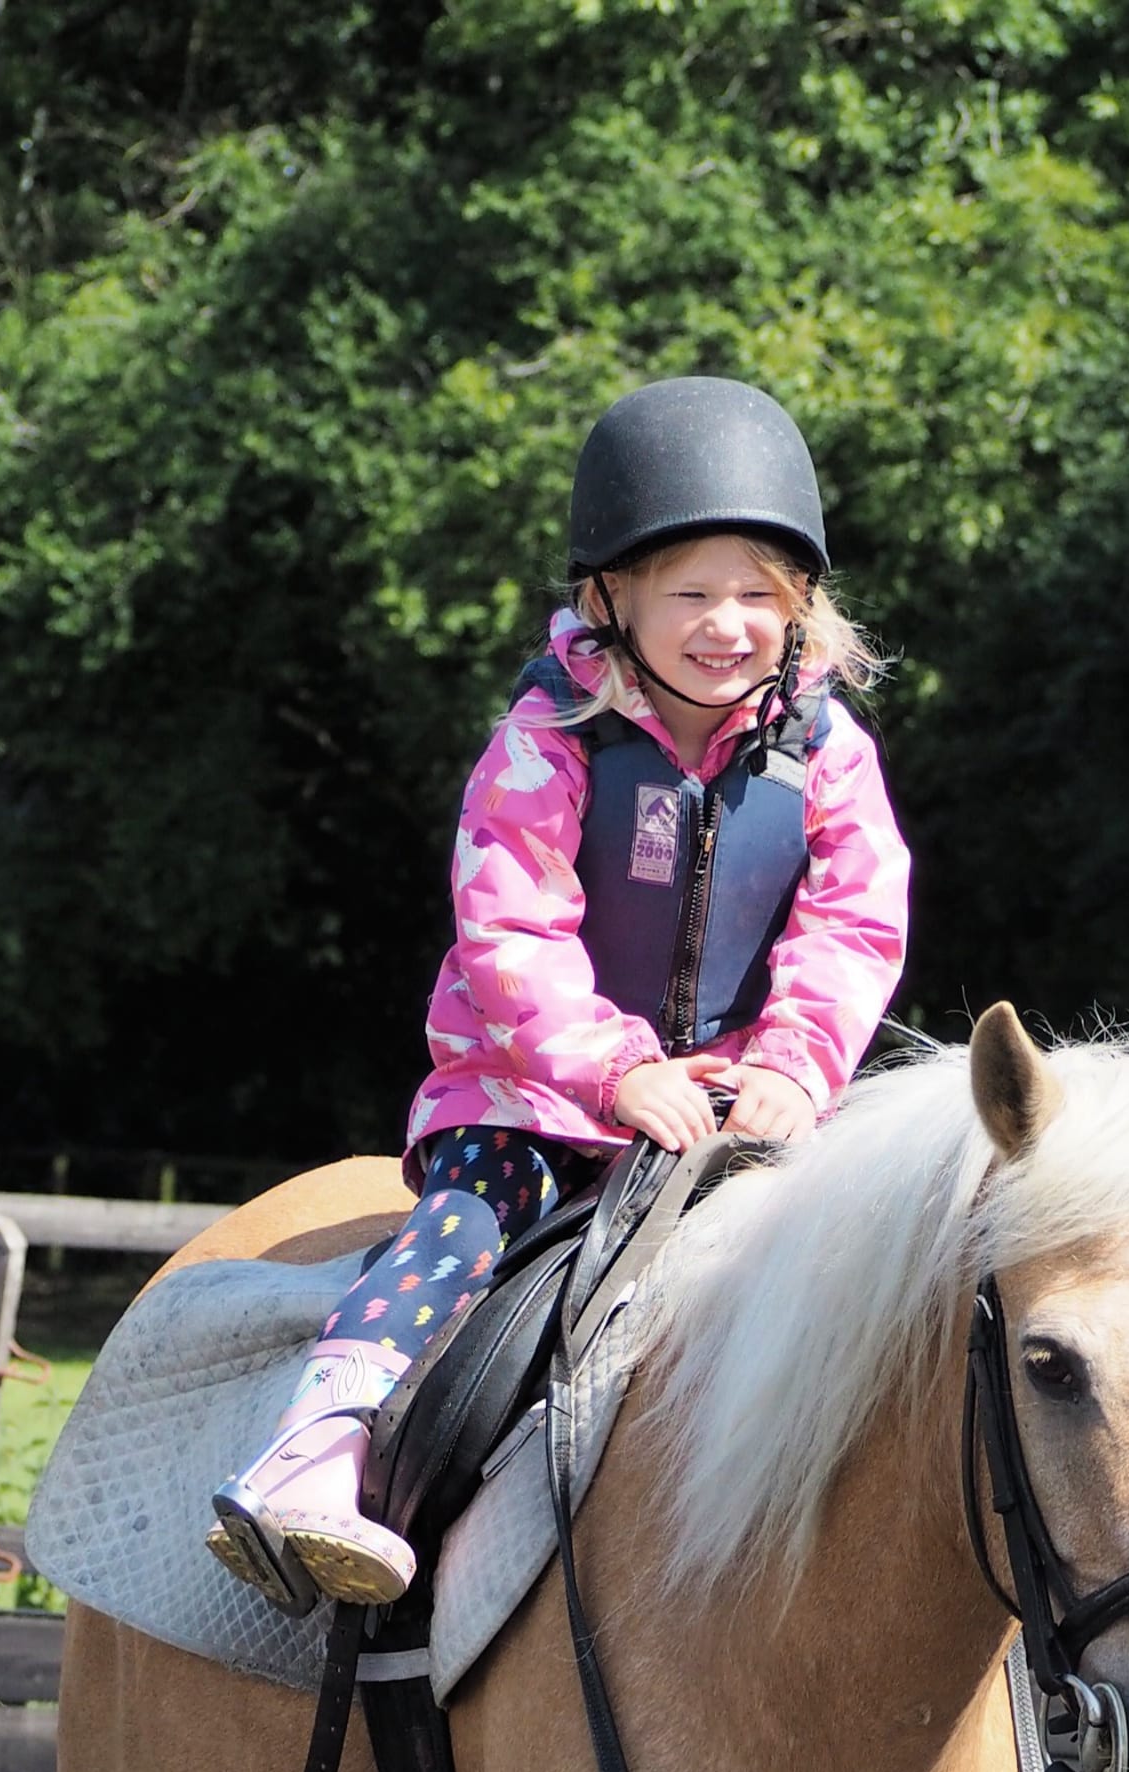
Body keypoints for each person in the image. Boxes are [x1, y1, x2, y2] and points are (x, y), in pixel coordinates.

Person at [208, 376, 911, 1612]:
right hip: (542, 1100)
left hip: (740, 1106)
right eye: (690, 591)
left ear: (800, 608)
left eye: (758, 593)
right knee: (465, 1227)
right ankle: (318, 1450)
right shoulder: (549, 740)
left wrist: (796, 1069)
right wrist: (612, 1070)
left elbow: (853, 923)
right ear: (612, 598)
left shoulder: (829, 752)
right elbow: (512, 924)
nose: (726, 623)